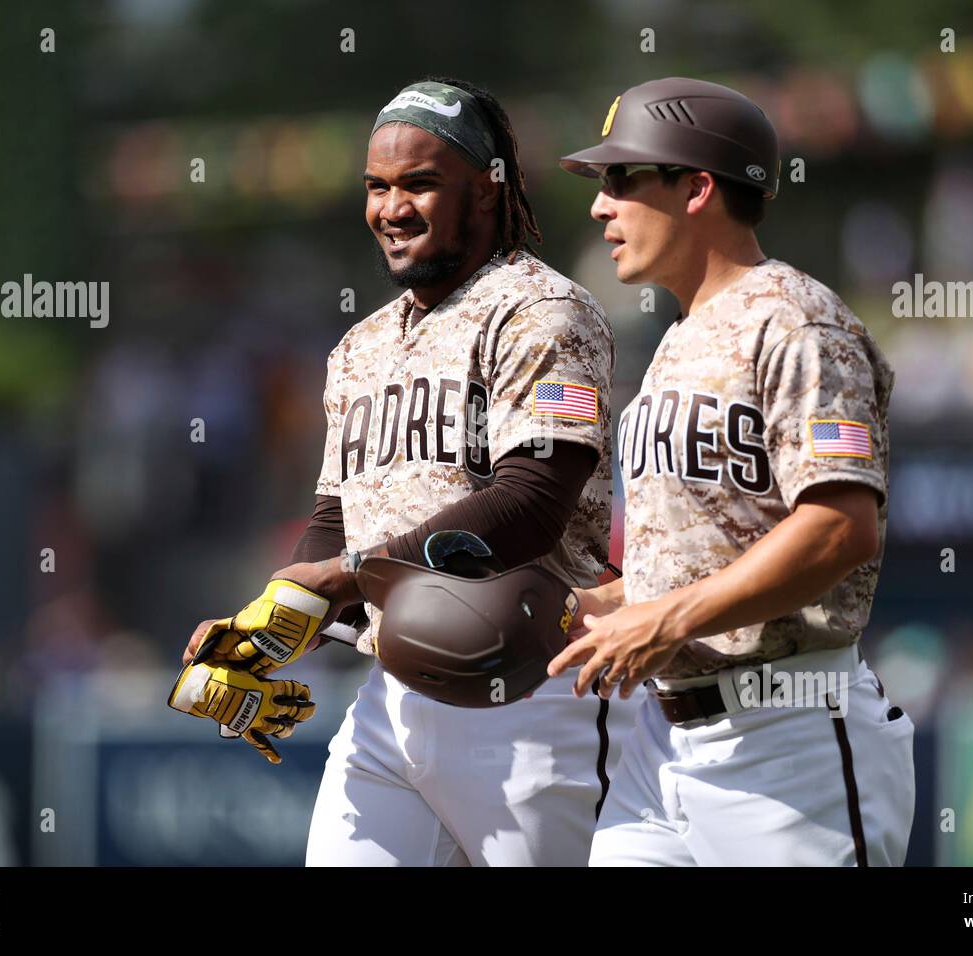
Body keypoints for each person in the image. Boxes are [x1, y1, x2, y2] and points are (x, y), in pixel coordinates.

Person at [181, 77, 636, 866]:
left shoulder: (543, 310)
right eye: (378, 187)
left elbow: (532, 500)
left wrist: (348, 578)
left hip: (530, 694)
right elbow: (334, 521)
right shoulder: (358, 347)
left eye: (420, 183)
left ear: (489, 189)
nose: (391, 207)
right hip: (389, 704)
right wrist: (266, 627)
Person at [550, 77, 915, 866]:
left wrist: (669, 618)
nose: (599, 205)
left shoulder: (797, 319)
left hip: (790, 740)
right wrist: (607, 604)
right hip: (662, 749)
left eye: (621, 179)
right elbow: (711, 547)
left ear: (698, 188)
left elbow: (839, 528)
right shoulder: (679, 338)